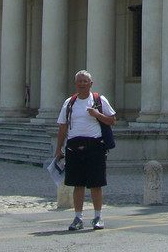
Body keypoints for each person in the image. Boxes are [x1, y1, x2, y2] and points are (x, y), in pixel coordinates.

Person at [54, 69, 116, 231]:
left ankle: (98, 217)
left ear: (90, 84)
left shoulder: (99, 100)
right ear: (75, 84)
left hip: (95, 146)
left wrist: (97, 114)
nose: (82, 84)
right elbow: (63, 126)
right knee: (77, 185)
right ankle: (78, 217)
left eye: (85, 81)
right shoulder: (69, 103)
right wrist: (58, 148)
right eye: (79, 81)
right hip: (74, 148)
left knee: (96, 184)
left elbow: (112, 120)